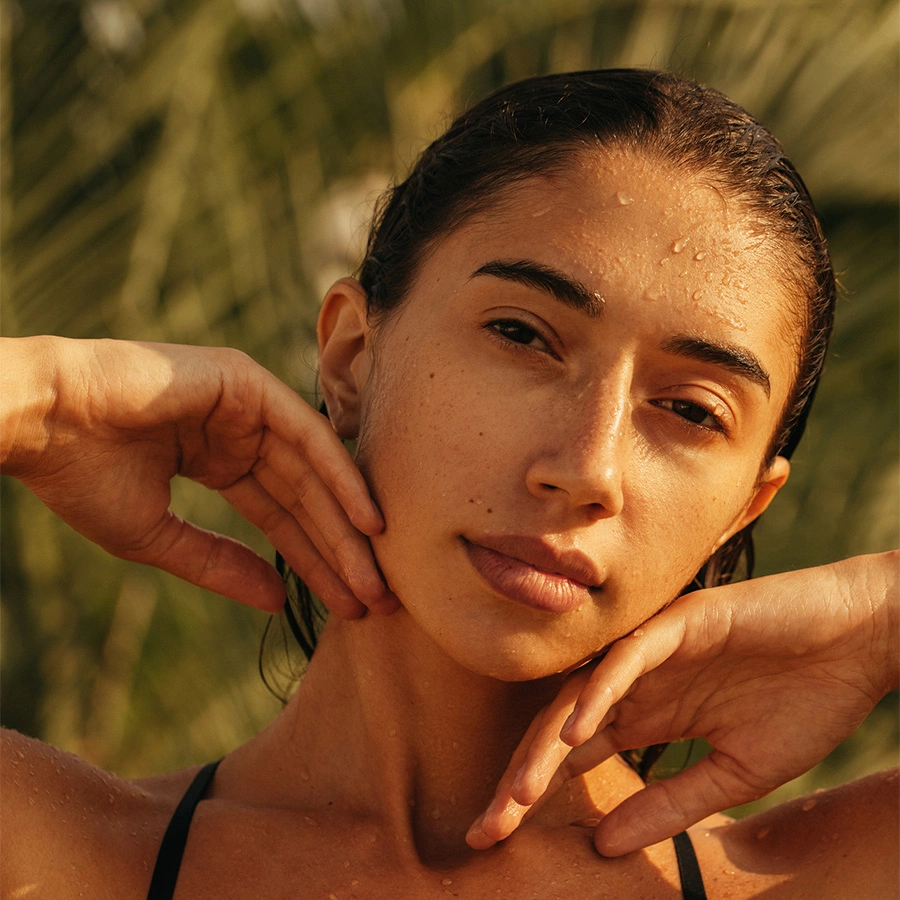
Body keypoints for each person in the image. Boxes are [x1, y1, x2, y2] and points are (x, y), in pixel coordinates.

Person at [1, 69, 897, 899]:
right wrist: (37, 399)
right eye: (522, 335)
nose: (587, 468)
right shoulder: (54, 853)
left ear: (746, 506)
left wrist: (882, 612)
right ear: (352, 357)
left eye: (694, 411)